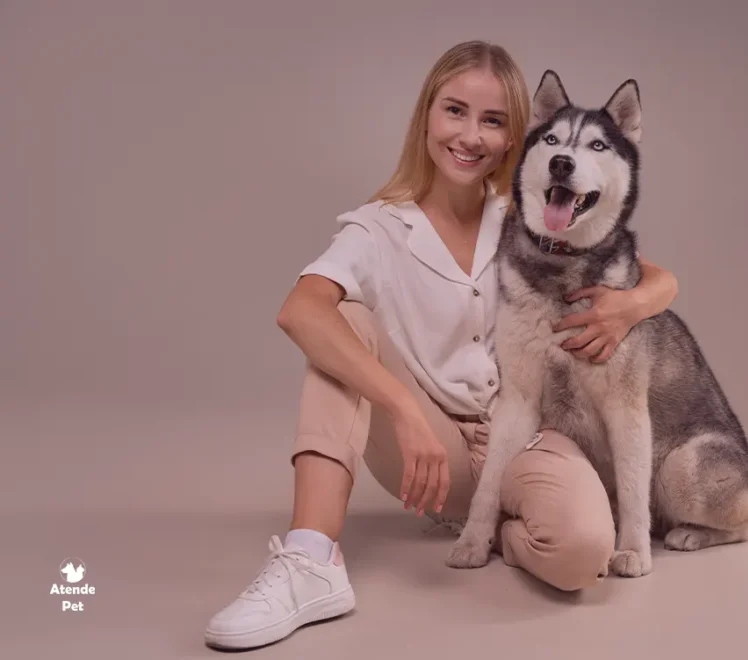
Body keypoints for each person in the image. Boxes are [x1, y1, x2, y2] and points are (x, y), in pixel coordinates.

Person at [204, 40, 679, 650]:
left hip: (523, 432)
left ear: (516, 138)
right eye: (454, 111)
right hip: (424, 442)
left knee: (584, 553)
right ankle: (309, 563)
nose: (470, 135)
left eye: (492, 121)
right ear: (426, 116)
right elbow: (299, 312)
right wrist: (401, 409)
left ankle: (508, 525)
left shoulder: (533, 216)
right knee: (340, 320)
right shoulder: (379, 227)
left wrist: (628, 306)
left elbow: (660, 280)